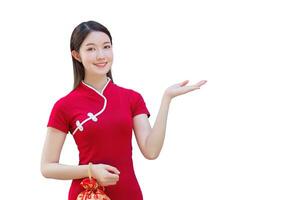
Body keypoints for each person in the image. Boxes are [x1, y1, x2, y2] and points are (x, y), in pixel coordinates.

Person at [40, 20, 207, 200]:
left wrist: (167, 99)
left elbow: (151, 151)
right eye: (90, 49)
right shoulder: (64, 106)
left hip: (128, 193)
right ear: (76, 55)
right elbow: (47, 167)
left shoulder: (131, 98)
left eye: (106, 47)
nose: (101, 55)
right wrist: (90, 170)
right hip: (87, 195)